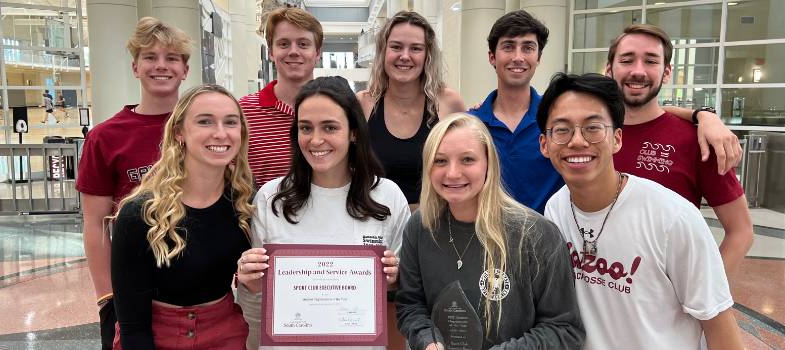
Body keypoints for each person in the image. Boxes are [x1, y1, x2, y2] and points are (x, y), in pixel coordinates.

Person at [538, 73, 741, 349]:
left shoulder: (673, 218)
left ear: (617, 139)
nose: (577, 141)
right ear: (545, 145)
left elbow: (721, 331)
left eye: (593, 127)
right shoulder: (556, 209)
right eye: (562, 129)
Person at [469, 10, 743, 214]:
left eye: (528, 47)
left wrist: (704, 115)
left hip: (556, 249)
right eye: (508, 47)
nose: (518, 57)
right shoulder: (474, 125)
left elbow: (740, 231)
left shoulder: (557, 116)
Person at [237, 76, 410, 350]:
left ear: (354, 132)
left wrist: (396, 278)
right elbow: (257, 299)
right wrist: (250, 281)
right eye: (305, 128)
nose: (316, 140)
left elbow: (406, 288)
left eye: (330, 127)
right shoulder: (271, 198)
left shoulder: (387, 197)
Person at [396, 113, 584, 350]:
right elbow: (411, 305)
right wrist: (427, 341)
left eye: (467, 160)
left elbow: (564, 329)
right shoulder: (420, 227)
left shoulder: (536, 234)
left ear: (488, 163)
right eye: (440, 161)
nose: (452, 173)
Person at [75, 17, 191, 350]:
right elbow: (95, 224)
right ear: (135, 67)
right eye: (150, 57)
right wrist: (107, 298)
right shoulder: (106, 137)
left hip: (197, 289)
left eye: (171, 58)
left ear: (184, 69)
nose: (161, 66)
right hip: (132, 288)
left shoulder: (203, 128)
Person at [111, 84, 252, 349]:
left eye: (231, 122)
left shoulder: (246, 203)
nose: (220, 133)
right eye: (205, 122)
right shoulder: (139, 214)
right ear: (179, 133)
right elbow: (133, 327)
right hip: (154, 336)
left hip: (225, 333)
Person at [605, 24, 752, 276]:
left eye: (651, 61)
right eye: (627, 60)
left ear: (666, 72)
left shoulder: (698, 140)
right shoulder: (589, 132)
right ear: (610, 70)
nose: (638, 71)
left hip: (664, 300)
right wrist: (701, 114)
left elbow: (741, 231)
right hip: (593, 292)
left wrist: (706, 295)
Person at [356, 11, 465, 210]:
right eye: (396, 47)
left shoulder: (449, 103)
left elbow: (465, 166)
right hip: (375, 225)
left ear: (427, 55)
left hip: (433, 225)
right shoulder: (363, 104)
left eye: (416, 48)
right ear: (383, 51)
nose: (405, 56)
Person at [241, 7, 322, 187]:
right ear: (271, 52)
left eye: (303, 44)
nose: (293, 52)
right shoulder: (243, 112)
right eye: (284, 44)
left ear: (317, 53)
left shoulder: (337, 110)